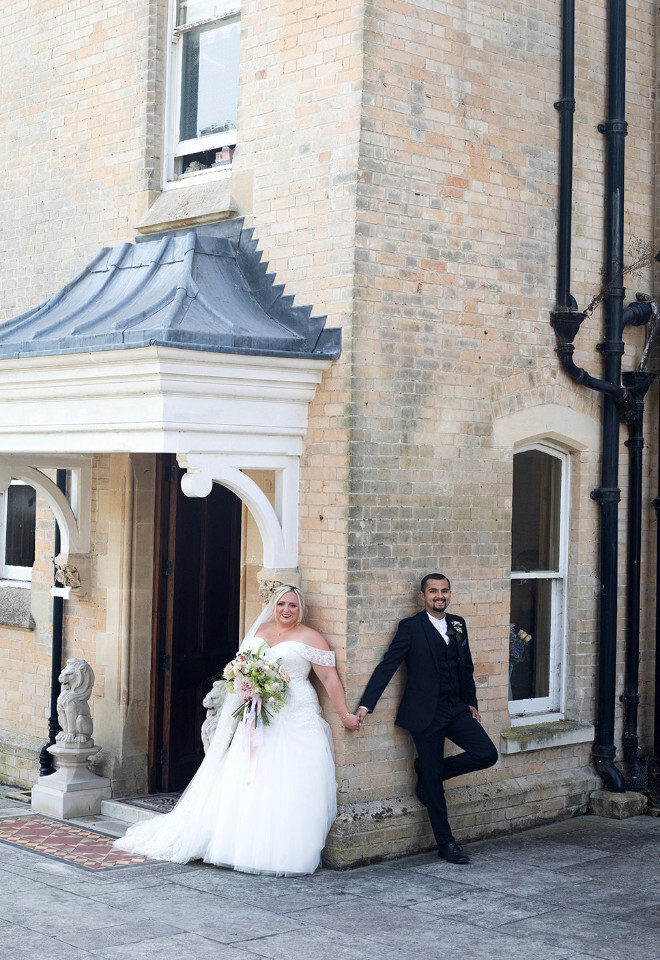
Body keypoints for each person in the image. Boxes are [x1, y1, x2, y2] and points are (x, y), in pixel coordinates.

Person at [114, 585, 360, 876]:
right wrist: (248, 686)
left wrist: (345, 714)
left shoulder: (311, 637)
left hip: (295, 715)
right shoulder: (259, 631)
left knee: (289, 778)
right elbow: (241, 668)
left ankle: (280, 851)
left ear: (301, 609)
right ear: (273, 605)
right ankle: (240, 844)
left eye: (293, 605)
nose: (286, 610)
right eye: (282, 604)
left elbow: (329, 678)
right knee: (250, 776)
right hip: (257, 714)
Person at [356, 574, 497, 864]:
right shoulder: (411, 627)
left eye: (444, 591)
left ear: (449, 594)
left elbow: (466, 667)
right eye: (433, 591)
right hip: (424, 714)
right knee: (433, 786)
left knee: (486, 754)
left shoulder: (458, 624)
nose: (439, 596)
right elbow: (388, 665)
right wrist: (366, 706)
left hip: (456, 708)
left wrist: (471, 702)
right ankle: (446, 843)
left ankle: (428, 771)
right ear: (423, 596)